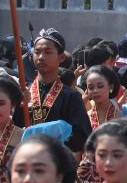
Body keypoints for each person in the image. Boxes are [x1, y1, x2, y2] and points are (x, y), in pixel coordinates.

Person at [13, 29, 91, 157]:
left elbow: (82, 137)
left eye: (48, 52)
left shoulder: (71, 97)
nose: (41, 57)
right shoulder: (23, 94)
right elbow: (10, 130)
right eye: (37, 52)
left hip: (56, 166)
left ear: (61, 57)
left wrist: (51, 139)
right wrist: (18, 107)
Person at [70, 65, 122, 183]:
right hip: (86, 179)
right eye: (91, 87)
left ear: (110, 87)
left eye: (100, 86)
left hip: (113, 175)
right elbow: (77, 150)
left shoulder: (121, 117)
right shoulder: (84, 116)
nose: (95, 91)